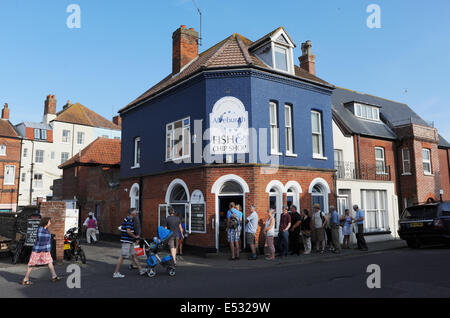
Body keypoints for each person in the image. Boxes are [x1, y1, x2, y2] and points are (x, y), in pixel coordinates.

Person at [22, 217, 62, 285]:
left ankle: (54, 276)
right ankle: (25, 279)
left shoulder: (46, 230)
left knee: (50, 262)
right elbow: (41, 239)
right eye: (49, 222)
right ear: (46, 222)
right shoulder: (41, 229)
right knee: (32, 264)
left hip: (45, 249)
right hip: (38, 250)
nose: (50, 223)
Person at [113, 208, 146, 278]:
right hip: (127, 241)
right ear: (132, 213)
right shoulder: (129, 220)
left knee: (134, 255)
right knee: (122, 256)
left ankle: (141, 270)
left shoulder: (129, 219)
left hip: (129, 241)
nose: (136, 213)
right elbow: (128, 231)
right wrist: (135, 237)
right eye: (135, 212)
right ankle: (116, 273)